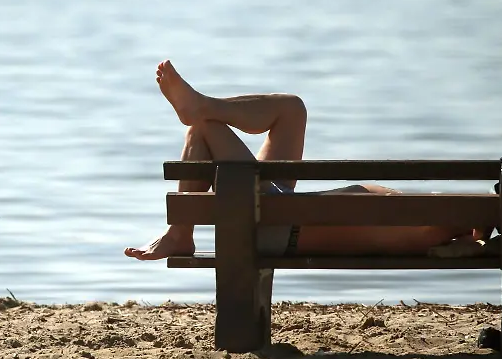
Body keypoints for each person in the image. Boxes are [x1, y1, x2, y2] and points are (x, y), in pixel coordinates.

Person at [124, 60, 481, 261]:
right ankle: (202, 107)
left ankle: (179, 232)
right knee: (292, 109)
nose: (438, 199)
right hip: (281, 207)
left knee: (202, 129)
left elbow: (467, 231)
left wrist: (474, 236)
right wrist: (478, 238)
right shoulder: (431, 226)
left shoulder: (429, 227)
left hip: (274, 222)